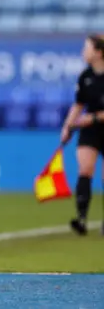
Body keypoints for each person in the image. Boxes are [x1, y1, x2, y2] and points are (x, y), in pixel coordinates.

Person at [61, 34, 104, 237]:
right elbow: (78, 105)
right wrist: (67, 127)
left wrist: (93, 118)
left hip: (96, 123)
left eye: (86, 48)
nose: (83, 52)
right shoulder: (85, 76)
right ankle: (81, 218)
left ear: (98, 52)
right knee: (85, 168)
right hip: (91, 129)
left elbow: (89, 114)